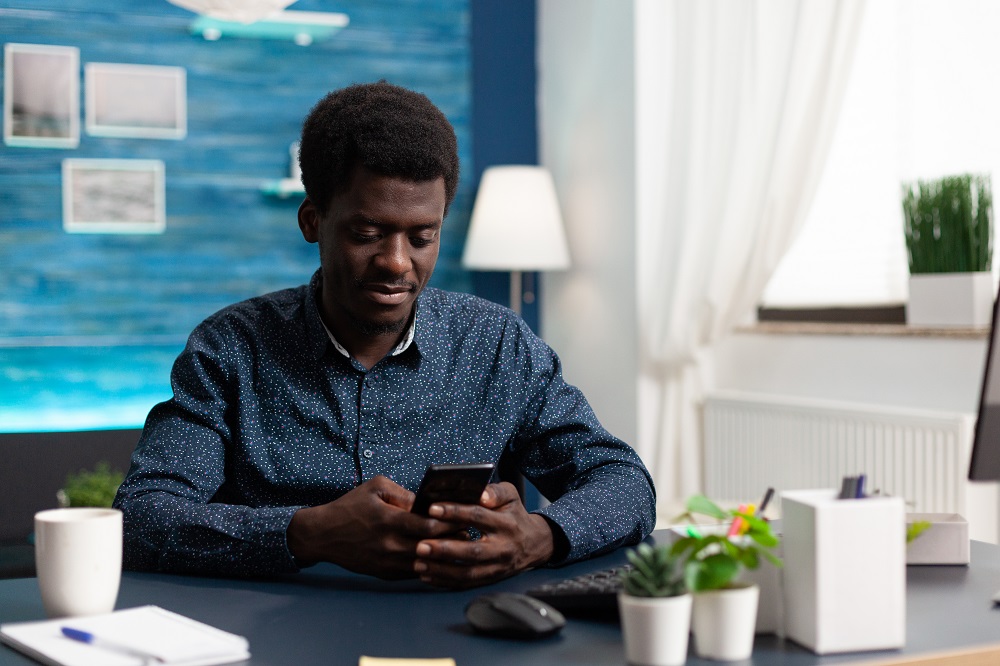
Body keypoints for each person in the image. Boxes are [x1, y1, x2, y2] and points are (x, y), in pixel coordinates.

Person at [113, 81, 655, 588]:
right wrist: (308, 532)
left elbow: (625, 482)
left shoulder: (497, 347)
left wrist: (539, 538)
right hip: (274, 635)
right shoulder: (232, 349)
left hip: (464, 629)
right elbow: (141, 516)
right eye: (367, 234)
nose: (397, 263)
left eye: (422, 237)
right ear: (311, 222)